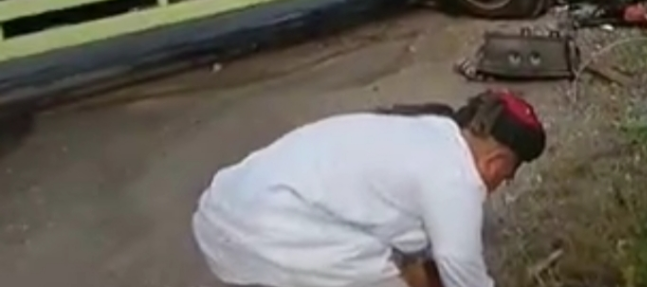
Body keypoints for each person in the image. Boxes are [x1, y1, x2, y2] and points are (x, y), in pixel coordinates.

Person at [192, 90, 546, 287]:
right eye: (509, 173)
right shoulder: (458, 178)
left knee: (400, 268)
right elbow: (461, 270)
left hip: (227, 205)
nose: (504, 182)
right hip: (274, 225)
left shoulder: (430, 131)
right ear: (496, 162)